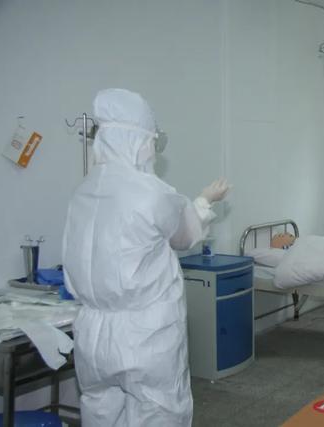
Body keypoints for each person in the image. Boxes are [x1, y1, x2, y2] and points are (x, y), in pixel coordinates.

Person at [62, 88, 230, 426]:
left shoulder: (82, 191)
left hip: (93, 334)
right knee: (158, 413)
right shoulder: (152, 192)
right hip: (145, 334)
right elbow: (185, 236)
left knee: (100, 413)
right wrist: (204, 200)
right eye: (152, 140)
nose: (153, 149)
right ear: (137, 140)